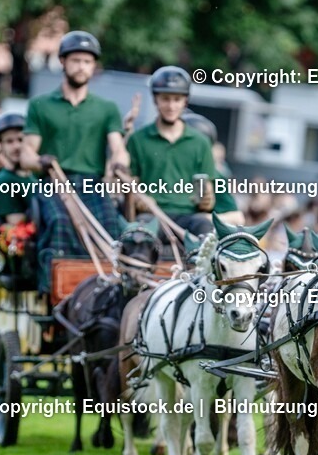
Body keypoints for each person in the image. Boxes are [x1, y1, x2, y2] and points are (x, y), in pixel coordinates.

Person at [20, 30, 129, 292]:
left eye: (87, 62)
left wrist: (120, 164)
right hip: (53, 181)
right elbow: (26, 155)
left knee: (111, 225)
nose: (81, 67)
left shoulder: (106, 108)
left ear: (94, 66)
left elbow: (118, 148)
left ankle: (110, 288)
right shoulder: (40, 105)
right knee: (59, 222)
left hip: (92, 183)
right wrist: (40, 161)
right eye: (76, 60)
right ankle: (54, 290)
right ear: (63, 62)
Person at [127, 67, 217, 236]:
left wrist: (207, 199)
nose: (171, 105)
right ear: (155, 99)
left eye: (177, 99)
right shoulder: (138, 139)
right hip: (151, 215)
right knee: (140, 238)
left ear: (186, 101)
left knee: (206, 231)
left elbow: (208, 193)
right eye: (165, 99)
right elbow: (130, 183)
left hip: (189, 216)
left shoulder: (200, 142)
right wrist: (138, 198)